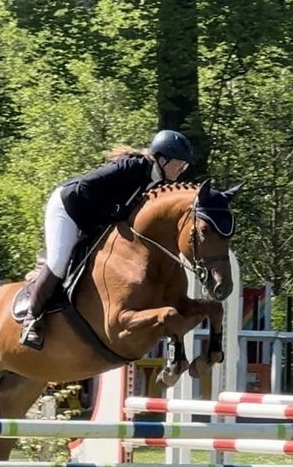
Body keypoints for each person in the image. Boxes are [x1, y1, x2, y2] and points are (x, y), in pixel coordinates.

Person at [20, 129, 194, 349]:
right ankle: (31, 319)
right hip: (68, 207)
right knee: (59, 262)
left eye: (184, 165)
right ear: (162, 159)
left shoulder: (158, 183)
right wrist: (113, 211)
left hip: (92, 215)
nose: (182, 169)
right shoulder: (133, 167)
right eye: (179, 163)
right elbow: (85, 188)